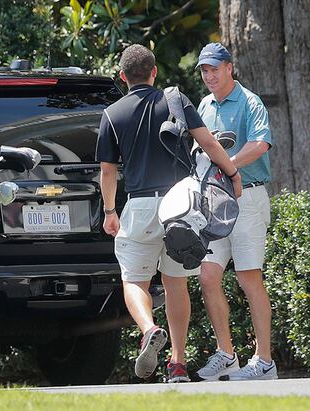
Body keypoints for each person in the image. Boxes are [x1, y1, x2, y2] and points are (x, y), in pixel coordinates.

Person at [96, 44, 241, 383]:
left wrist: (109, 212)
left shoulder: (112, 115)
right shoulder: (175, 100)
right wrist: (232, 175)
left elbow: (107, 172)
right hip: (181, 206)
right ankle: (177, 364)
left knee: (133, 280)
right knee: (176, 284)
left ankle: (148, 328)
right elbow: (209, 143)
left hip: (141, 206)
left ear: (122, 77)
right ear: (154, 71)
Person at [194, 43, 276, 381]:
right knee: (208, 276)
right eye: (204, 70)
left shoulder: (250, 102)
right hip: (215, 201)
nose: (209, 75)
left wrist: (228, 166)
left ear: (230, 67)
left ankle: (264, 361)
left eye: (214, 68)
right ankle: (227, 355)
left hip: (248, 201)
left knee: (248, 278)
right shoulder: (204, 104)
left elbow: (260, 145)